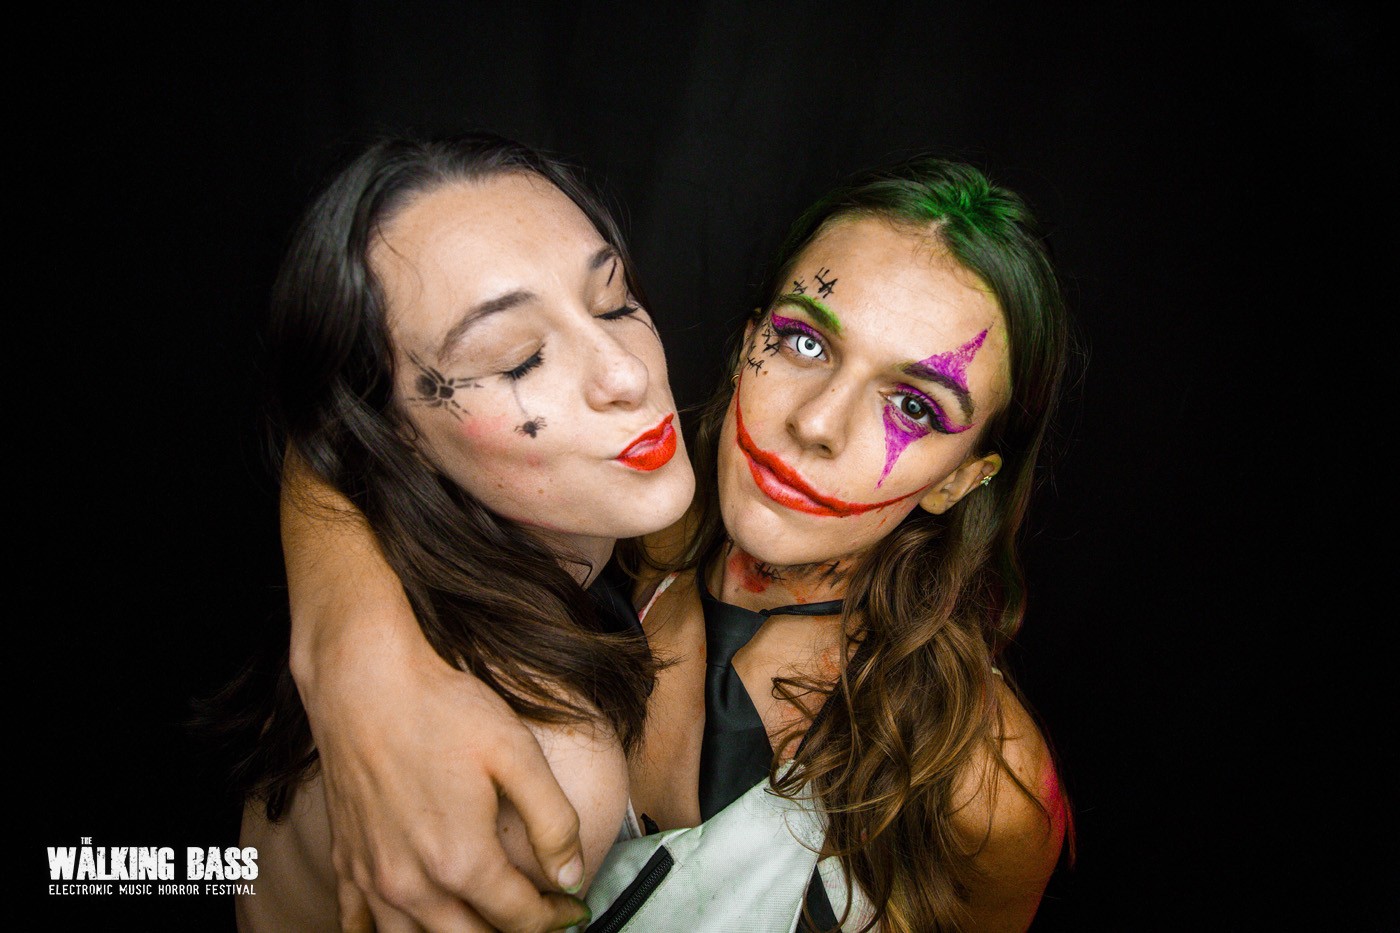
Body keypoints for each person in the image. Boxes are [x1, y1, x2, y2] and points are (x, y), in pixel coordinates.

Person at [288, 157, 1072, 931]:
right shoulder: (633, 521)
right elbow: (356, 414)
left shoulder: (985, 784)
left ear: (960, 480)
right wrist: (353, 648)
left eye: (913, 406)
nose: (816, 423)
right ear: (747, 341)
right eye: (805, 342)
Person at [222, 133, 695, 932]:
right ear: (388, 435)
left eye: (613, 301)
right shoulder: (541, 766)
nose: (627, 372)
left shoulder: (529, 539)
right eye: (517, 359)